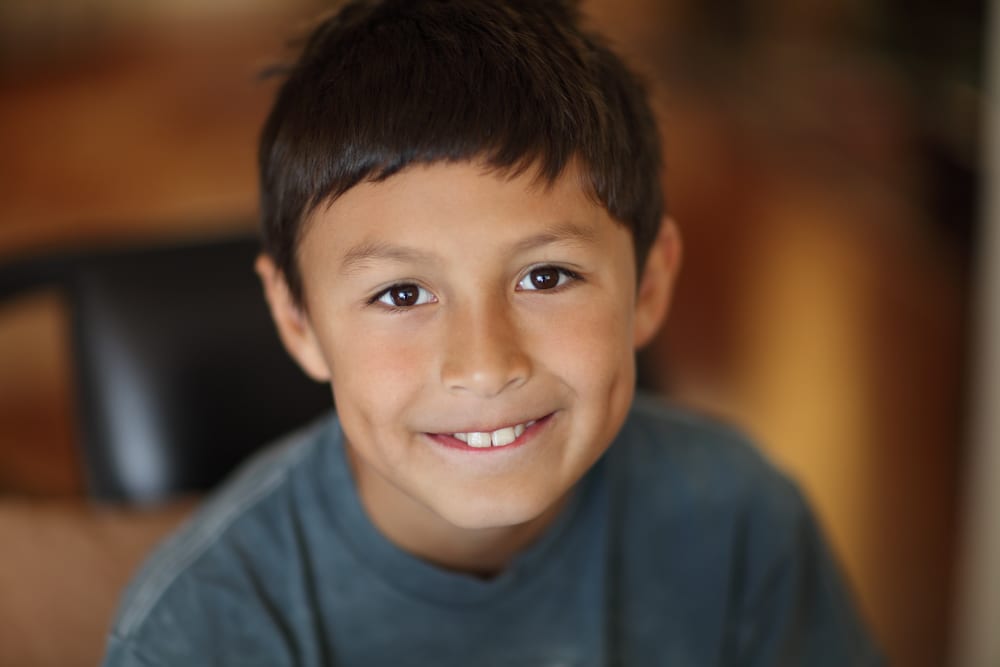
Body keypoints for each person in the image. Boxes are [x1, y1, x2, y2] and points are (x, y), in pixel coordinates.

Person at [102, 1, 882, 664]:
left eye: (546, 277)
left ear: (649, 284)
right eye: (402, 292)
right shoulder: (199, 632)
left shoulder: (742, 520)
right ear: (296, 320)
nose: (483, 366)